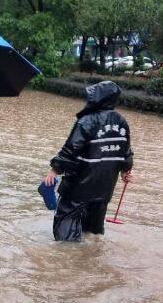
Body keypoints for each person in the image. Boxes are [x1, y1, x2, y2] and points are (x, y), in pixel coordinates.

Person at [43, 81, 133, 241]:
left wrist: (54, 170)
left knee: (66, 228)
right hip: (105, 189)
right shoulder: (122, 122)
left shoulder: (87, 121)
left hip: (80, 186)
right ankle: (89, 260)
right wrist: (126, 170)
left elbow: (70, 149)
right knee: (92, 232)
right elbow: (126, 152)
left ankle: (67, 263)